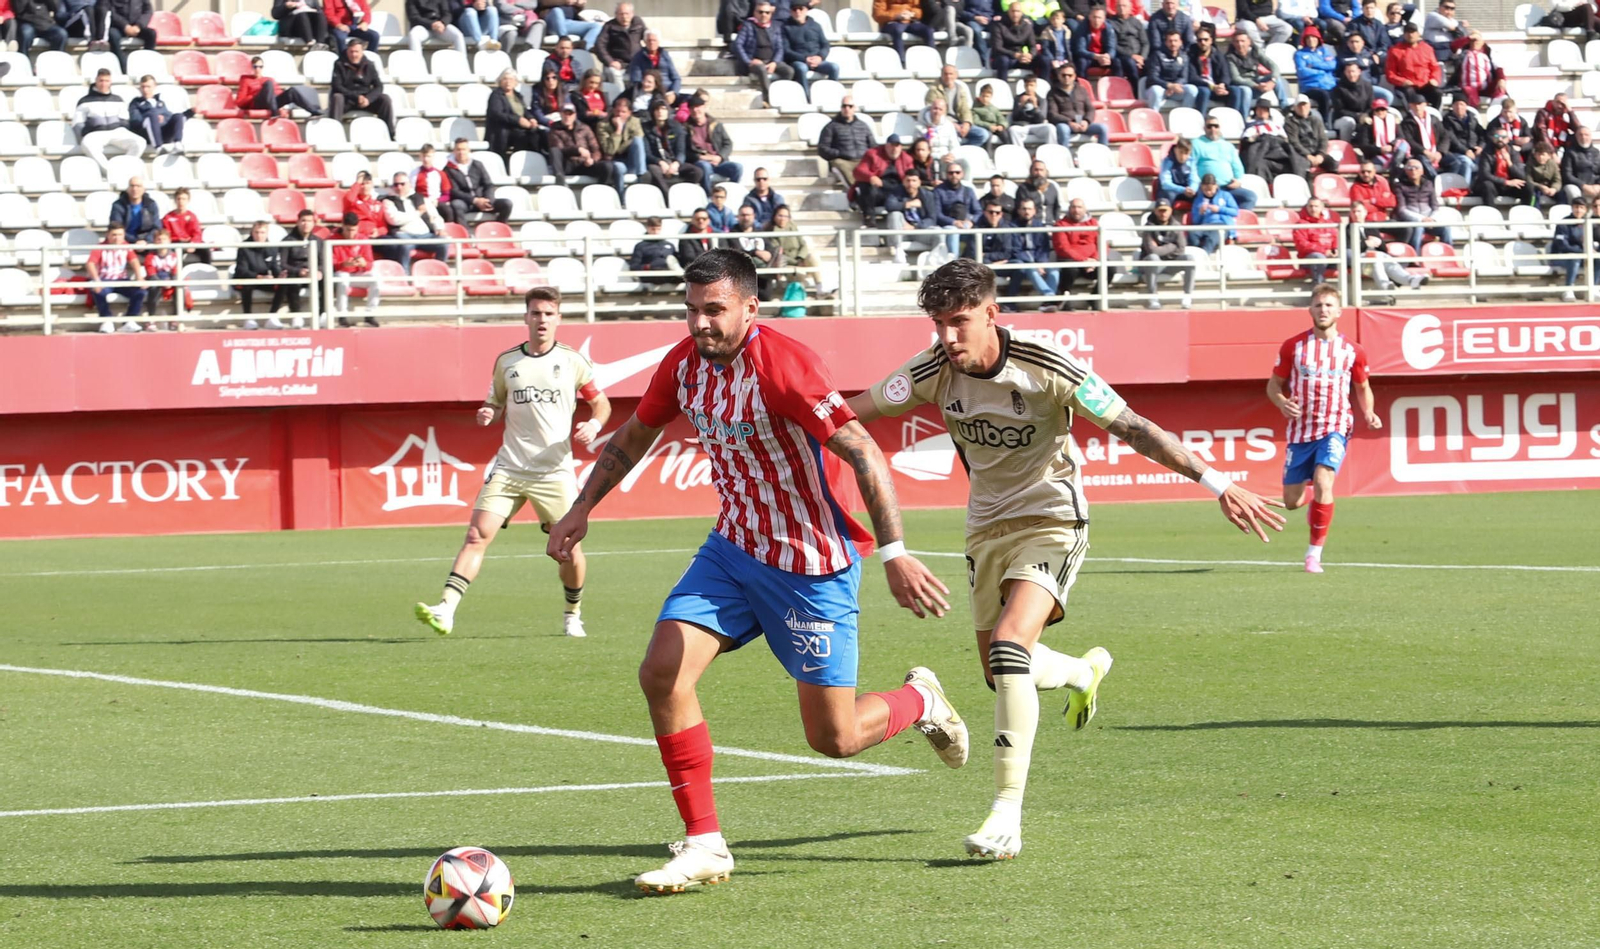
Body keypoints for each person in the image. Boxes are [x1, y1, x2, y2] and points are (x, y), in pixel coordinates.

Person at [545, 249, 967, 891]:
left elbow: (864, 452)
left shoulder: (789, 367)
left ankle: (921, 700)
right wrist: (579, 510)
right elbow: (634, 435)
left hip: (811, 565)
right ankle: (706, 843)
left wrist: (894, 552)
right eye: (690, 310)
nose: (700, 324)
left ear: (750, 307)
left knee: (835, 737)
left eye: (714, 310)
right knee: (662, 672)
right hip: (734, 549)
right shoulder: (683, 366)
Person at [847, 258, 1280, 860]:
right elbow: (848, 414)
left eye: (959, 322)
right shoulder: (931, 370)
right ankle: (1080, 672)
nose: (947, 337)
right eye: (937, 324)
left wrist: (1218, 483)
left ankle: (1006, 815)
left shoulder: (1047, 366)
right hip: (984, 531)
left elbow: (1132, 427)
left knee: (1008, 645)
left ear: (992, 314)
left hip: (1053, 519)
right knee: (1001, 673)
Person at [419, 286, 612, 638]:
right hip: (509, 467)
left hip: (554, 472)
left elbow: (601, 403)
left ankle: (572, 613)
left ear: (558, 318)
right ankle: (446, 608)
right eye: (535, 313)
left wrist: (594, 423)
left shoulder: (572, 361)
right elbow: (494, 401)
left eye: (548, 314)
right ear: (526, 317)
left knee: (568, 549)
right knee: (477, 535)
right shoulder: (507, 362)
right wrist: (487, 412)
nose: (541, 320)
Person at [1267, 285, 1379, 575]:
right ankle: (1315, 510)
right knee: (1291, 502)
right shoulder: (1294, 346)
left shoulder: (1353, 351)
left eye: (1329, 305)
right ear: (1310, 311)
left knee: (1323, 481)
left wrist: (1368, 412)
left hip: (1336, 425)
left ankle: (1313, 555)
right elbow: (1273, 386)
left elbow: (1363, 387)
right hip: (1301, 431)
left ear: (1339, 311)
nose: (1323, 310)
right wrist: (1281, 403)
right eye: (1318, 305)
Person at [74, 69, 144, 175]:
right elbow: (78, 123)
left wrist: (121, 127)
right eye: (101, 80)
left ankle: (124, 170)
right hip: (96, 133)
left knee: (140, 142)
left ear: (110, 82)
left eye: (106, 81)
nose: (103, 84)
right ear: (96, 81)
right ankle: (110, 172)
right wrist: (86, 131)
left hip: (117, 131)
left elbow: (125, 120)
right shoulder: (84, 100)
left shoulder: (118, 99)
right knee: (87, 143)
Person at [548, 102, 626, 196]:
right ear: (560, 114)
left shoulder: (585, 128)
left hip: (584, 164)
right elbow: (560, 149)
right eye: (565, 113)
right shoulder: (554, 130)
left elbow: (596, 149)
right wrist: (577, 150)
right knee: (554, 151)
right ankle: (560, 181)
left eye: (570, 114)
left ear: (575, 115)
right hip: (567, 164)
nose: (567, 117)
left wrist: (592, 160)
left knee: (608, 166)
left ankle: (600, 193)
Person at [380, 172, 448, 269]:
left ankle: (439, 272)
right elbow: (394, 220)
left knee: (443, 243)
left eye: (402, 184)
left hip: (425, 235)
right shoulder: (388, 200)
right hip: (404, 234)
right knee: (405, 246)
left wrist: (440, 228)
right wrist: (418, 212)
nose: (399, 187)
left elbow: (435, 215)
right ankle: (404, 277)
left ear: (409, 184)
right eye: (396, 184)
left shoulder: (421, 198)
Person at [330, 38, 396, 137]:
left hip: (365, 99)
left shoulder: (369, 64)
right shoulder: (339, 64)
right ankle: (334, 133)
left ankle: (390, 134)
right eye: (351, 51)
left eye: (356, 52)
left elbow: (379, 86)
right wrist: (356, 97)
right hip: (347, 99)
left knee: (385, 99)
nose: (353, 55)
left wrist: (369, 99)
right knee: (337, 97)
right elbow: (337, 86)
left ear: (362, 52)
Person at [86, 223, 146, 332]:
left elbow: (134, 261)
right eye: (114, 234)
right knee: (98, 291)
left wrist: (139, 278)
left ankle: (129, 320)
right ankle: (106, 320)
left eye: (120, 234)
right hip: (105, 279)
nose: (117, 238)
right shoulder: (100, 247)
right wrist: (96, 280)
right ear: (107, 234)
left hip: (122, 280)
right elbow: (90, 263)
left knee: (140, 291)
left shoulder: (126, 246)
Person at [1398, 89, 1468, 179]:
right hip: (1419, 153)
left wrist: (1440, 152)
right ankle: (1436, 182)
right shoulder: (1407, 122)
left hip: (1436, 150)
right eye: (1414, 105)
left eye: (1420, 104)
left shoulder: (1433, 119)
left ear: (1425, 105)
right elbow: (1409, 140)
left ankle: (1447, 183)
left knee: (1455, 162)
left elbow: (1445, 136)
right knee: (1423, 161)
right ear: (1410, 106)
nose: (1417, 107)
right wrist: (1425, 151)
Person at [733, 2, 794, 103]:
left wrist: (774, 62)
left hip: (770, 61)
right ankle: (768, 99)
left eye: (767, 12)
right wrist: (749, 61)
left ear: (771, 14)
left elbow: (779, 47)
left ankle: (778, 94)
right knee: (761, 69)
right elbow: (737, 45)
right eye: (760, 12)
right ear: (755, 13)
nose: (763, 15)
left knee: (789, 71)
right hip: (754, 62)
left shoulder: (775, 27)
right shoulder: (747, 26)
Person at [1192, 116, 1258, 209]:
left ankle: (1237, 220)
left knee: (1250, 197)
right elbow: (1191, 167)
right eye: (1209, 126)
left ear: (1219, 127)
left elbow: (1237, 166)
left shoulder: (1228, 145)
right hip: (1207, 188)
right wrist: (1199, 183)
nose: (1213, 129)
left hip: (1228, 187)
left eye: (1216, 126)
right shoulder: (1196, 143)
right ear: (1204, 128)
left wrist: (1238, 181)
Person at [234, 219, 289, 330]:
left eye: (262, 233)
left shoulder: (271, 248)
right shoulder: (244, 248)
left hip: (263, 279)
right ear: (252, 233)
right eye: (256, 232)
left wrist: (280, 275)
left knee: (284, 284)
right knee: (247, 284)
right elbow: (242, 270)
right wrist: (258, 277)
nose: (259, 235)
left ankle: (272, 317)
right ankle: (248, 318)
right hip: (246, 279)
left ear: (267, 234)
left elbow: (274, 267)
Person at [1139, 198, 1195, 307]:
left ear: (1170, 211)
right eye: (1160, 210)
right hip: (1151, 265)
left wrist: (1164, 249)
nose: (1163, 213)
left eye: (1165, 210)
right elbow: (1152, 251)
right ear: (1155, 211)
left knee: (1189, 258)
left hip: (1170, 263)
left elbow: (1181, 249)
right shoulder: (1148, 227)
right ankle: (1153, 297)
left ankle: (1187, 296)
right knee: (1153, 258)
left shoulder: (1176, 225)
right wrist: (1172, 246)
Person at [330, 212, 381, 327]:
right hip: (341, 273)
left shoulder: (363, 239)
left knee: (376, 278)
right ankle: (342, 316)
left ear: (358, 228)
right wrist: (343, 264)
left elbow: (370, 263)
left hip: (358, 273)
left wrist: (364, 264)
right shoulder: (332, 240)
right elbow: (330, 264)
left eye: (354, 230)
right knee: (342, 278)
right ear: (342, 226)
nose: (351, 233)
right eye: (348, 230)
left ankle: (370, 314)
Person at [683, 96, 743, 193]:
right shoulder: (686, 128)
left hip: (719, 161)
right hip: (701, 161)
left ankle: (731, 194)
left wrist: (720, 157)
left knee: (737, 167)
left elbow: (728, 143)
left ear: (704, 107)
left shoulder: (715, 124)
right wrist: (701, 157)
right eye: (692, 108)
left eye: (698, 107)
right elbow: (685, 150)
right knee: (704, 167)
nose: (695, 110)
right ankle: (708, 195)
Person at [642, 97, 702, 195]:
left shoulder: (676, 127)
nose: (660, 112)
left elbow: (681, 151)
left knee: (697, 172)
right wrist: (660, 162)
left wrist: (676, 163)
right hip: (656, 162)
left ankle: (682, 194)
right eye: (657, 109)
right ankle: (668, 196)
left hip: (673, 161)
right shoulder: (646, 128)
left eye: (663, 109)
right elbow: (646, 153)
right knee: (654, 170)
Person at [445, 140, 514, 223]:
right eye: (458, 149)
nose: (461, 152)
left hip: (484, 199)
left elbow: (488, 184)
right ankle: (465, 234)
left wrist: (488, 200)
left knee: (507, 204)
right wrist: (475, 200)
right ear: (454, 151)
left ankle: (499, 228)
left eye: (464, 149)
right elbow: (454, 191)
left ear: (468, 150)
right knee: (456, 205)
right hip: (466, 202)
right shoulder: (448, 169)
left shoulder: (477, 165)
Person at [235, 54, 322, 119]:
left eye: (260, 67)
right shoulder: (245, 79)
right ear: (251, 67)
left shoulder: (269, 79)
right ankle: (274, 113)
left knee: (291, 91)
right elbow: (240, 103)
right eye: (255, 67)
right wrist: (254, 95)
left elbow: (278, 93)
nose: (258, 69)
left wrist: (281, 107)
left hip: (271, 102)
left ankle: (313, 110)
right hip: (257, 103)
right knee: (268, 84)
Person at [780, 1, 837, 98]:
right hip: (799, 61)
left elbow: (825, 45)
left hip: (817, 60)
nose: (798, 12)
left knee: (834, 67)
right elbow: (786, 50)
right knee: (801, 68)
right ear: (790, 12)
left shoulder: (815, 26)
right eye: (794, 9)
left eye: (801, 9)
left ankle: (831, 96)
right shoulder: (785, 27)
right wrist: (805, 59)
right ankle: (806, 98)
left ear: (806, 10)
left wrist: (820, 57)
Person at [1225, 28, 1288, 114]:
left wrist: (1272, 81)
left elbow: (1274, 66)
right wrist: (1256, 86)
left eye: (1242, 41)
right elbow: (1236, 78)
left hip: (1257, 83)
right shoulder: (1229, 57)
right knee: (1246, 91)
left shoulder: (1255, 51)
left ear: (1249, 42)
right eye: (1237, 41)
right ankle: (1243, 118)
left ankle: (1285, 108)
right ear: (1233, 43)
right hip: (1242, 86)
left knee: (1277, 79)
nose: (1240, 44)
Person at [852, 134, 912, 219]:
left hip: (897, 192)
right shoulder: (873, 154)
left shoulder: (907, 158)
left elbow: (912, 175)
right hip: (879, 190)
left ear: (901, 147)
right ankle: (869, 219)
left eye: (897, 146)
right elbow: (858, 171)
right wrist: (871, 177)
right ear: (886, 146)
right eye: (891, 146)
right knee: (866, 186)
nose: (894, 149)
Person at [1047, 65, 1109, 147]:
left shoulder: (1081, 90)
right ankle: (1064, 157)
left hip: (1082, 123)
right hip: (1066, 124)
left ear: (1074, 76)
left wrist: (1086, 121)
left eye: (1070, 75)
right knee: (1063, 129)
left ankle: (1104, 156)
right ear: (1058, 76)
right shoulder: (1052, 93)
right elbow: (1052, 114)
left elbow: (1090, 109)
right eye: (1063, 75)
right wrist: (1069, 122)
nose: (1066, 77)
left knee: (1103, 128)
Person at [1188, 24, 1243, 116]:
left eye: (1206, 40)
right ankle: (1200, 120)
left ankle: (1233, 120)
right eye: (1200, 40)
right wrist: (1212, 87)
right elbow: (1192, 77)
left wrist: (1222, 85)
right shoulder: (1191, 55)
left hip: (1217, 87)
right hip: (1203, 86)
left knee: (1235, 90)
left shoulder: (1218, 55)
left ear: (1211, 41)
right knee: (1204, 91)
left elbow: (1226, 74)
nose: (1203, 42)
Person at [1383, 22, 1441, 109]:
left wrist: (1434, 79)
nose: (1410, 35)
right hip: (1408, 85)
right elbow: (1390, 74)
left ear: (1418, 34)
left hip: (1425, 84)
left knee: (1437, 93)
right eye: (1407, 32)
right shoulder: (1395, 50)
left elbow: (1435, 68)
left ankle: (1435, 116)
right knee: (1410, 93)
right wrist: (1402, 81)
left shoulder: (1427, 48)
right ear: (1404, 34)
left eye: (1413, 32)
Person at [487, 70, 541, 160]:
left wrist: (531, 118)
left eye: (511, 79)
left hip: (517, 128)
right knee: (522, 136)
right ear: (500, 81)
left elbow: (524, 110)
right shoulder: (496, 95)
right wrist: (518, 120)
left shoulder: (518, 95)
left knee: (536, 134)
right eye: (505, 79)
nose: (508, 82)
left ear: (516, 82)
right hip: (502, 129)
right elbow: (497, 114)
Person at [282, 208, 323, 327]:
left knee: (326, 279)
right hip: (296, 273)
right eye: (303, 221)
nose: (306, 224)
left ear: (314, 223)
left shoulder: (319, 241)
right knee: (292, 280)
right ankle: (296, 315)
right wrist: (299, 271)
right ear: (298, 222)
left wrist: (319, 271)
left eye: (309, 221)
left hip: (313, 273)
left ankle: (322, 314)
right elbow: (283, 264)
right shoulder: (287, 241)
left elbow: (323, 261)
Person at [128, 75, 188, 155]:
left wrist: (163, 119)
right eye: (143, 87)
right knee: (151, 116)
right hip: (145, 134)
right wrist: (153, 117)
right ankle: (159, 148)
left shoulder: (160, 102)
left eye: (148, 87)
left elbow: (168, 116)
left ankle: (178, 144)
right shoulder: (136, 103)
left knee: (178, 116)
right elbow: (135, 121)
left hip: (163, 133)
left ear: (154, 87)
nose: (145, 90)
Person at [1240, 99, 1297, 183]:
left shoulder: (1276, 126)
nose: (1262, 112)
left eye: (1265, 110)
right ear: (1256, 111)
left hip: (1277, 154)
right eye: (1259, 109)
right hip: (1261, 153)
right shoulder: (1251, 126)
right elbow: (1246, 140)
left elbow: (1285, 139)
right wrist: (1256, 137)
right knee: (1259, 164)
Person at [729, 204, 779, 299]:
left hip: (762, 278)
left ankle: (773, 271)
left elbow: (769, 247)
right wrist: (756, 252)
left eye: (748, 215)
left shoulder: (760, 232)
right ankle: (773, 272)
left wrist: (769, 253)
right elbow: (736, 251)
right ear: (738, 217)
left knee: (766, 297)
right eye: (743, 215)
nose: (746, 218)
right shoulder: (733, 233)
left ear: (754, 216)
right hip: (745, 271)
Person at [94, 0, 156, 73]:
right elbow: (109, 11)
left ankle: (146, 66)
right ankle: (124, 69)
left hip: (137, 27)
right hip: (118, 27)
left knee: (151, 34)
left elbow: (148, 11)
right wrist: (125, 26)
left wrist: (139, 26)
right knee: (112, 35)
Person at [1549, 196, 1592, 298]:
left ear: (1585, 210)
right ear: (1572, 208)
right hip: (1560, 257)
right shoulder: (1563, 223)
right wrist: (1582, 252)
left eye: (1581, 207)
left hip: (1582, 255)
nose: (1578, 210)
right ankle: (1568, 289)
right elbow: (1562, 245)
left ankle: (1594, 288)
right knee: (1574, 259)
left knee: (1597, 259)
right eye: (1576, 207)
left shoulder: (1588, 223)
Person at [595, 2, 646, 88]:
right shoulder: (610, 26)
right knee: (614, 74)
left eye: (627, 14)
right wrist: (610, 61)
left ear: (632, 14)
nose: (624, 17)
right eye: (621, 14)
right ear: (616, 15)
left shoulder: (638, 23)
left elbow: (647, 37)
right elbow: (599, 45)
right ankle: (620, 98)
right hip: (618, 63)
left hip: (636, 62)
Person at [1144, 29, 1197, 111]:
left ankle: (1184, 116)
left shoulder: (1184, 57)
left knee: (1192, 89)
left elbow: (1184, 77)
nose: (1173, 44)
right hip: (1159, 89)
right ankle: (1155, 118)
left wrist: (1175, 86)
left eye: (1175, 41)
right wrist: (1169, 85)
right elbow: (1153, 77)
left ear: (1180, 42)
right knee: (1156, 91)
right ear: (1166, 42)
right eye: (1170, 41)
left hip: (1175, 89)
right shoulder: (1157, 55)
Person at [596, 96, 646, 182]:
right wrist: (618, 130)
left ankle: (641, 175)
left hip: (632, 158)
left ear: (629, 113)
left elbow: (638, 138)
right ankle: (620, 194)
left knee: (637, 140)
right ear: (613, 110)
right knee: (618, 168)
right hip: (616, 160)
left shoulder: (635, 122)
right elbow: (609, 151)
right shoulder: (603, 125)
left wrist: (619, 148)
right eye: (617, 111)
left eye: (623, 112)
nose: (620, 114)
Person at [1293, 26, 1338, 122]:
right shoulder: (1299, 54)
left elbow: (1332, 65)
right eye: (1308, 38)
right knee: (1323, 95)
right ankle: (1324, 122)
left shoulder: (1325, 51)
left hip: (1329, 84)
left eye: (1313, 37)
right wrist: (1321, 72)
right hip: (1310, 86)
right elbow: (1302, 71)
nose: (1311, 40)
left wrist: (1313, 65)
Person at [141, 229, 183, 330]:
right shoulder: (150, 256)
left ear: (169, 241)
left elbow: (175, 271)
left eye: (164, 239)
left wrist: (172, 281)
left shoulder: (174, 255)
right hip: (156, 280)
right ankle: (151, 319)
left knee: (180, 289)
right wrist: (162, 282)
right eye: (158, 239)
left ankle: (176, 319)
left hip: (169, 280)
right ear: (154, 241)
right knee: (154, 288)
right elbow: (151, 273)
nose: (161, 241)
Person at [1472, 129, 1525, 206]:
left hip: (1510, 186)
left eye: (1503, 137)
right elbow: (1484, 174)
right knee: (1487, 185)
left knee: (1527, 186)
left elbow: (1522, 175)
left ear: (1508, 139)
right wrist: (1506, 182)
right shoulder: (1487, 153)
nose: (1500, 139)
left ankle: (1528, 212)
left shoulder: (1513, 152)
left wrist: (1509, 162)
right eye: (1497, 136)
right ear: (1493, 138)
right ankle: (1492, 214)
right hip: (1495, 185)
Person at [1187, 171, 1238, 252]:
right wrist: (1200, 213)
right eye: (1205, 190)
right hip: (1205, 225)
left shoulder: (1225, 195)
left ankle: (1204, 258)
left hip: (1222, 225)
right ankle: (1197, 253)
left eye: (1210, 189)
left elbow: (1235, 212)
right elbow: (1195, 221)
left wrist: (1219, 209)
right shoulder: (1198, 200)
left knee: (1211, 239)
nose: (1208, 192)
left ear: (1216, 186)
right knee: (1193, 234)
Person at [1292, 196, 1339, 282]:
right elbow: (1303, 245)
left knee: (1348, 255)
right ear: (1306, 207)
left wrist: (1335, 249)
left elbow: (1336, 237)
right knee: (1319, 258)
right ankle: (1319, 288)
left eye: (1316, 206)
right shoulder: (1300, 224)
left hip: (1329, 256)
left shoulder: (1328, 223)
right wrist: (1324, 251)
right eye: (1310, 206)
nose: (1313, 209)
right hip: (1309, 259)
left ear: (1321, 208)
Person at [1286, 93, 1334, 176]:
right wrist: (1307, 155)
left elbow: (1323, 139)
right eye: (1299, 105)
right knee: (1302, 168)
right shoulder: (1290, 123)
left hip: (1317, 153)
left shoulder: (1316, 120)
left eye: (1305, 105)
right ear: (1295, 107)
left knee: (1333, 164)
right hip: (1301, 155)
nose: (1302, 108)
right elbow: (1294, 142)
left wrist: (1321, 154)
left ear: (1309, 106)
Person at [627, 31, 682, 102]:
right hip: (650, 93)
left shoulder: (665, 55)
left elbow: (676, 78)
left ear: (658, 42)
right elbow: (636, 80)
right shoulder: (638, 57)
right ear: (645, 42)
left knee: (689, 99)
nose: (652, 43)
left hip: (667, 91)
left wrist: (674, 92)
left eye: (654, 40)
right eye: (649, 40)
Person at [162, 188, 211, 265]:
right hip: (175, 243)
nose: (181, 201)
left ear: (188, 200)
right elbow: (166, 234)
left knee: (205, 250)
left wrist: (193, 243)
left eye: (184, 199)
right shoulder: (168, 217)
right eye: (179, 199)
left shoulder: (192, 216)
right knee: (176, 252)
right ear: (175, 200)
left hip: (189, 242)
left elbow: (197, 233)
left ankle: (207, 272)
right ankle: (178, 275)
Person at [991, 2, 1038, 80]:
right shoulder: (998, 25)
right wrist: (1014, 55)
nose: (1015, 14)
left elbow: (1033, 46)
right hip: (1005, 57)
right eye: (1013, 11)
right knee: (1003, 60)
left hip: (1021, 59)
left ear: (1021, 13)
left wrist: (1030, 55)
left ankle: (1044, 88)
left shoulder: (1027, 26)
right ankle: (1002, 88)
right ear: (1008, 12)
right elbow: (997, 47)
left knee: (1044, 60)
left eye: (1018, 11)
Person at [628, 214, 679, 285]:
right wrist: (648, 266)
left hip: (668, 272)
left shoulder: (669, 245)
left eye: (658, 229)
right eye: (653, 229)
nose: (655, 232)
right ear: (647, 228)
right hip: (651, 274)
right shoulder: (640, 246)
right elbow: (634, 267)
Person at [109, 176, 160, 246]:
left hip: (147, 243)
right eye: (132, 186)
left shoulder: (151, 204)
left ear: (143, 189)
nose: (135, 189)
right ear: (127, 189)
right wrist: (135, 242)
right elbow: (116, 227)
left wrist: (146, 241)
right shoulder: (118, 205)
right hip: (125, 243)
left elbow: (156, 227)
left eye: (138, 186)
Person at [1109, 0, 1150, 85]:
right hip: (1123, 55)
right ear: (1115, 8)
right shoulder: (1110, 23)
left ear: (1130, 8)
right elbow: (1113, 44)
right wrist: (1131, 55)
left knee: (1152, 64)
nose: (1121, 8)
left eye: (1124, 6)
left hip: (1139, 55)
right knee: (1129, 63)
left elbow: (1145, 43)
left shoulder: (1136, 22)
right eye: (1119, 6)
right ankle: (1134, 91)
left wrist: (1142, 57)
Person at [1073, 6, 1118, 81]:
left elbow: (1112, 47)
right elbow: (1080, 50)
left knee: (1117, 63)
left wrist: (1108, 56)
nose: (1096, 20)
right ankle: (1082, 88)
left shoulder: (1108, 28)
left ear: (1104, 19)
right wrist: (1096, 56)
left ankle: (1117, 88)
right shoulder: (1082, 28)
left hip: (1103, 57)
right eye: (1094, 17)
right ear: (1090, 17)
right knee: (1081, 62)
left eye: (1099, 18)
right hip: (1088, 57)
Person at [1008, 77, 1055, 147]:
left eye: (1031, 85)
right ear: (1024, 86)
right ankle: (1020, 153)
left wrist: (1036, 107)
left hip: (1037, 125)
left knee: (1050, 127)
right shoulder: (1017, 98)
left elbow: (1041, 119)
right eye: (1027, 85)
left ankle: (1051, 151)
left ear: (1035, 86)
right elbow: (1015, 117)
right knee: (1013, 130)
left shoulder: (1042, 100)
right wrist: (1021, 105)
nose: (1029, 88)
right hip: (1023, 125)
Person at [1157, 136, 1199, 211]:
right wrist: (1182, 190)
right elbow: (1165, 183)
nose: (1183, 156)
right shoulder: (1167, 161)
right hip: (1171, 190)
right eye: (1181, 152)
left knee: (1201, 194)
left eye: (1186, 153)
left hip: (1186, 190)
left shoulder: (1191, 161)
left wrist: (1192, 189)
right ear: (1176, 150)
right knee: (1168, 196)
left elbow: (1194, 179)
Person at [1016, 158, 1063, 223]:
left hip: (1050, 224)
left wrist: (1057, 224)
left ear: (1046, 172)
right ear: (1031, 171)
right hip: (1032, 226)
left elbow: (1056, 208)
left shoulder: (1052, 187)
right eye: (1036, 170)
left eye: (1041, 170)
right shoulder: (1023, 188)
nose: (1039, 173)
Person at [1562, 126, 1600, 204]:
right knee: (1573, 191)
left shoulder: (1597, 152)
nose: (1583, 137)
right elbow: (1567, 175)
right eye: (1580, 135)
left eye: (1586, 135)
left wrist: (1598, 185)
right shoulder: (1569, 152)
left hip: (1595, 186)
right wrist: (1583, 186)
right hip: (1577, 186)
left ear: (1590, 136)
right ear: (1576, 137)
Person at [1527, 142, 1563, 209]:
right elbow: (1529, 180)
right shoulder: (1530, 164)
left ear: (1548, 156)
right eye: (1538, 155)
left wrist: (1554, 188)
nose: (1541, 157)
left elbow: (1557, 180)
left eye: (1543, 155)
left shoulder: (1552, 164)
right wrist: (1541, 187)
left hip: (1550, 188)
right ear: (1535, 155)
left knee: (1562, 194)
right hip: (1537, 188)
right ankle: (1535, 211)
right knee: (1533, 194)